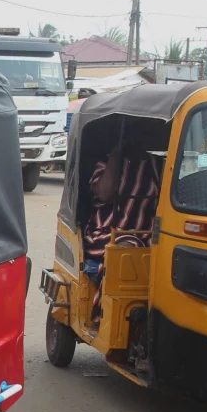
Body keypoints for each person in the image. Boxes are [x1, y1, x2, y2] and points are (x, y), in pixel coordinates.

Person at [82, 140, 162, 328]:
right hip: (107, 232)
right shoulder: (106, 164)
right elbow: (105, 194)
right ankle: (103, 316)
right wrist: (116, 155)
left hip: (147, 231)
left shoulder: (157, 165)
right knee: (127, 250)